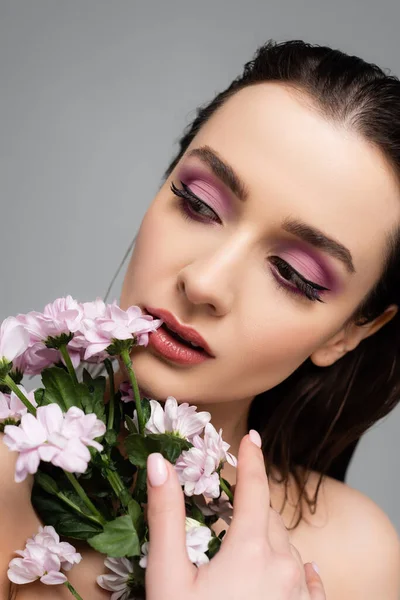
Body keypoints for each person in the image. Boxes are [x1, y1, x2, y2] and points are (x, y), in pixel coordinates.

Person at [1, 38, 400, 599]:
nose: (205, 282)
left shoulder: (358, 559)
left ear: (348, 331)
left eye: (293, 274)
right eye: (197, 203)